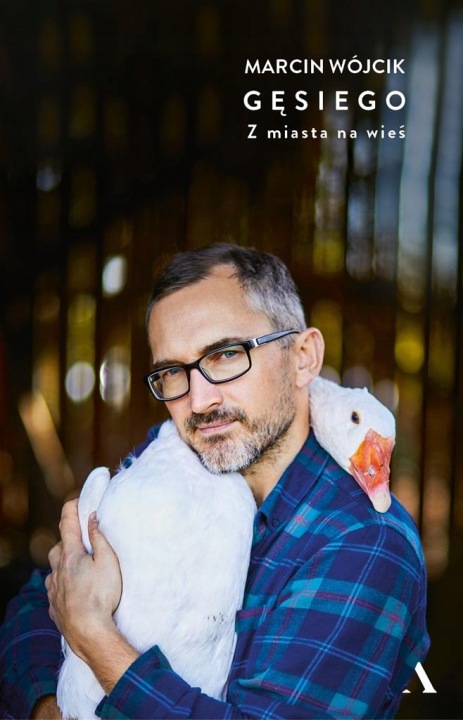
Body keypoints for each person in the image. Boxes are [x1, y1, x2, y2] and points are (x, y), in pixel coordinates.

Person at [0, 243, 429, 719]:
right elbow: (43, 599)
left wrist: (93, 636)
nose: (200, 401)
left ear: (303, 357)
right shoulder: (177, 454)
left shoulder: (362, 540)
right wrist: (49, 709)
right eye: (172, 372)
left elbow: (74, 612)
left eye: (225, 354)